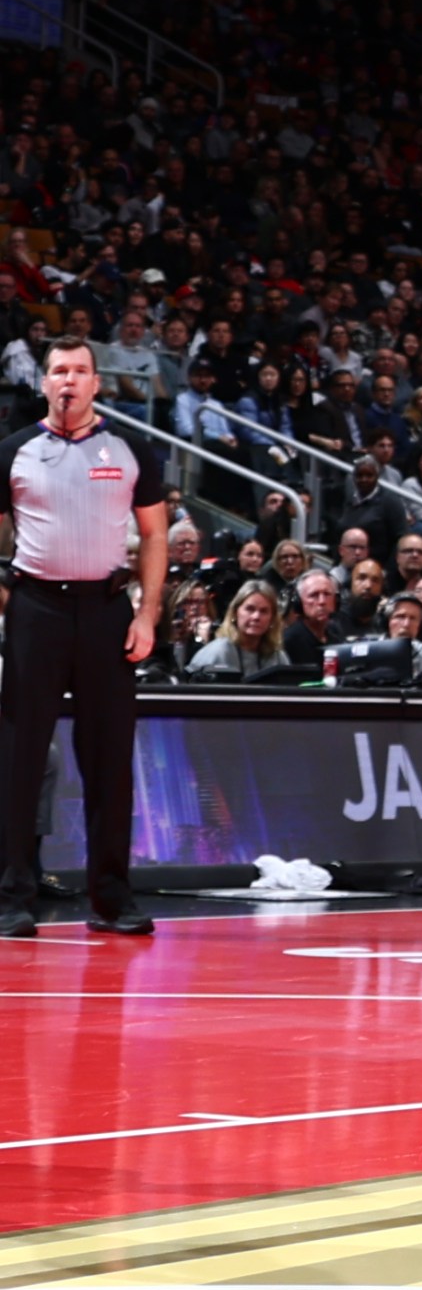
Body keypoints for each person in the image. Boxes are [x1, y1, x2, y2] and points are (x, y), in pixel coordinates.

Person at [0, 340, 169, 937]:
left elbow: (155, 536)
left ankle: (112, 899)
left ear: (97, 383)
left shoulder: (130, 449)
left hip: (107, 611)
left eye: (79, 371)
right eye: (58, 371)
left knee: (109, 760)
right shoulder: (14, 451)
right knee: (18, 758)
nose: (68, 380)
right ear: (43, 383)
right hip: (35, 608)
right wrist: (9, 602)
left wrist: (147, 615)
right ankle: (11, 897)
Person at [183, 579, 295, 682]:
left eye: (264, 611)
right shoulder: (215, 654)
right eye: (250, 609)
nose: (256, 617)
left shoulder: (278, 657)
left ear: (272, 619)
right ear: (234, 613)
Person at [281, 566, 341, 680]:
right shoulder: (289, 641)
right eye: (314, 595)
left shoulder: (336, 634)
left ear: (336, 600)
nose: (322, 601)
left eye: (327, 594)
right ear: (299, 603)